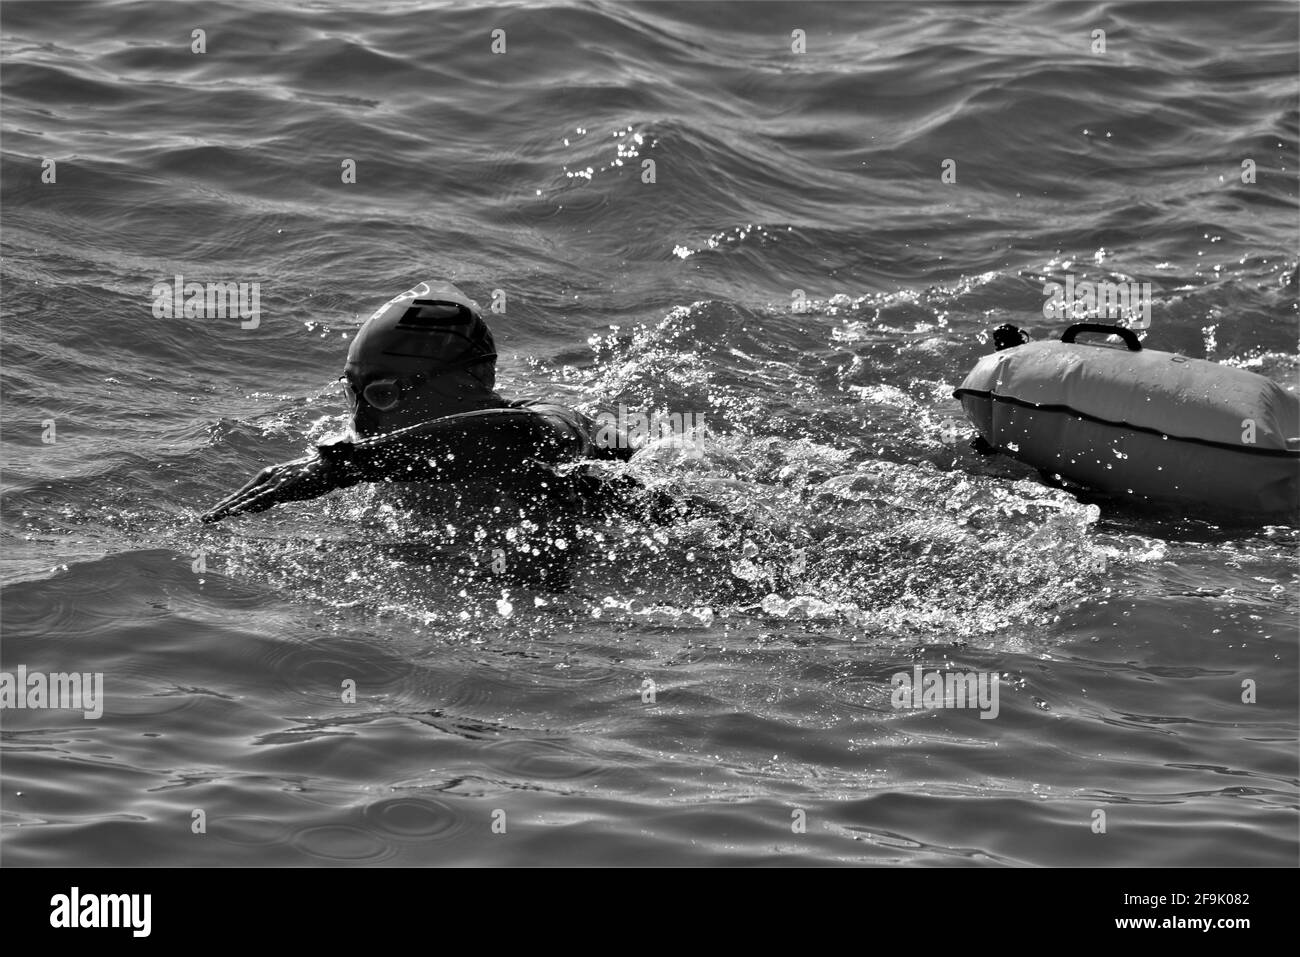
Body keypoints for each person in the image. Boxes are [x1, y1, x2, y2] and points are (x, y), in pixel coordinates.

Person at [201, 280, 690, 586]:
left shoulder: (549, 423)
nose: (362, 423)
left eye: (384, 396)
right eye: (353, 394)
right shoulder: (390, 454)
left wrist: (347, 467)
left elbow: (529, 435)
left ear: (464, 383)